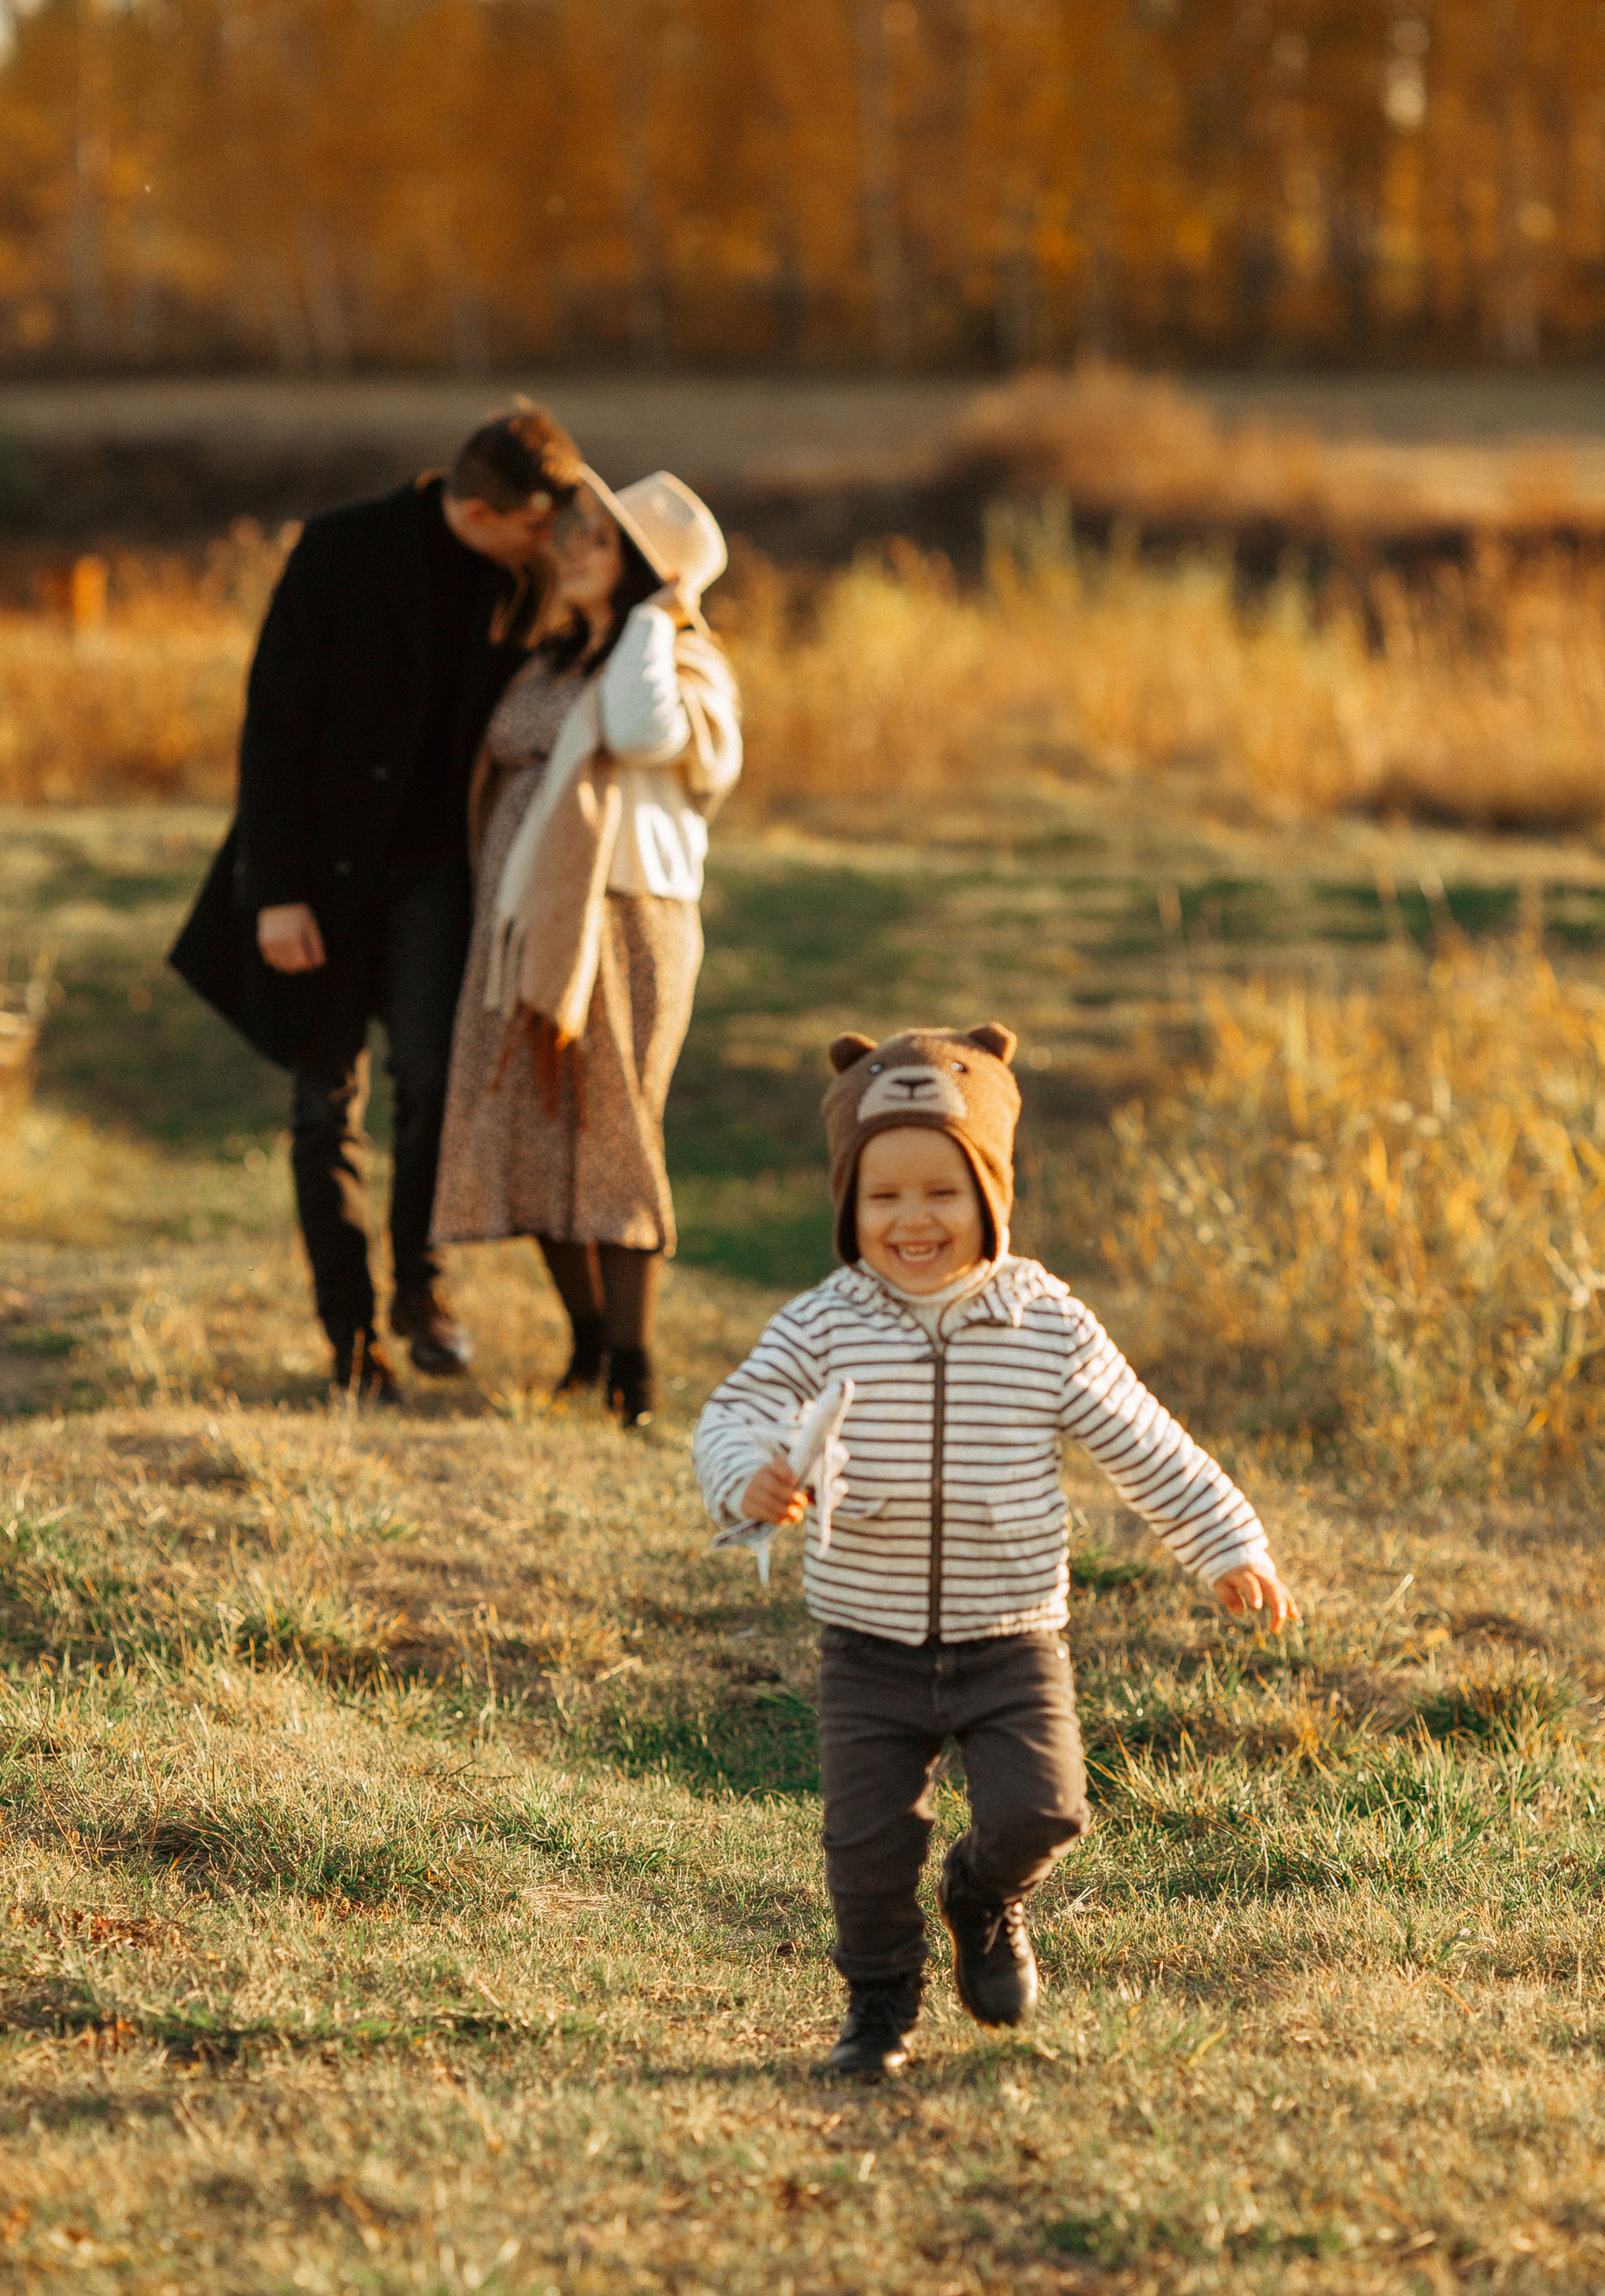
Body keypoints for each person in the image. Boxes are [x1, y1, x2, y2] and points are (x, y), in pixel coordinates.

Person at [693, 1021, 1300, 2077]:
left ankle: (984, 1895)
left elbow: (1144, 1441)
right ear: (849, 1206)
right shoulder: (826, 1322)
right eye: (884, 1198)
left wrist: (1226, 1544)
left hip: (1014, 1639)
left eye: (942, 1191)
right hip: (866, 1645)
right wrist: (748, 1473)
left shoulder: (1043, 1322)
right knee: (866, 1850)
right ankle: (879, 2009)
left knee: (1049, 1808)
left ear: (991, 1194)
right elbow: (733, 1411)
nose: (913, 1219)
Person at [171, 407, 583, 1403]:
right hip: (317, 876)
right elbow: (271, 726)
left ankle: (422, 1299)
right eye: (533, 523)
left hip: (440, 877)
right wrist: (276, 895)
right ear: (478, 507)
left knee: (434, 1085)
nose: (548, 542)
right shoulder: (340, 549)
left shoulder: (529, 576)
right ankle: (352, 1341)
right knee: (325, 1110)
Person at [429, 468, 742, 1427]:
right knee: (530, 1127)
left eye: (601, 543)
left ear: (649, 574)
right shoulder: (552, 660)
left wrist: (655, 616)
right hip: (524, 922)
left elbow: (648, 734)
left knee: (614, 1130)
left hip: (626, 914)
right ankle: (590, 1343)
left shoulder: (683, 664)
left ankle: (634, 1369)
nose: (574, 551)